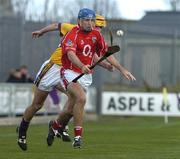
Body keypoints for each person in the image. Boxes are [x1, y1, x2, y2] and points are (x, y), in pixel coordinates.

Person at [16, 14, 113, 151]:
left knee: (77, 99)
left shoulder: (93, 38)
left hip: (68, 72)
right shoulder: (73, 29)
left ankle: (58, 126)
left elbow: (95, 57)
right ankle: (22, 128)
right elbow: (57, 25)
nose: (97, 29)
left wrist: (107, 65)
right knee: (37, 104)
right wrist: (42, 31)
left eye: (100, 27)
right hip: (52, 69)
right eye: (97, 25)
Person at [56, 8, 136, 148]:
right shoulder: (72, 35)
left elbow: (107, 53)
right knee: (81, 98)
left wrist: (121, 69)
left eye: (92, 20)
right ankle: (78, 138)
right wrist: (81, 66)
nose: (90, 23)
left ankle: (56, 126)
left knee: (69, 110)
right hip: (69, 72)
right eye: (86, 20)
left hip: (85, 75)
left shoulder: (96, 35)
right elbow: (70, 55)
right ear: (79, 21)